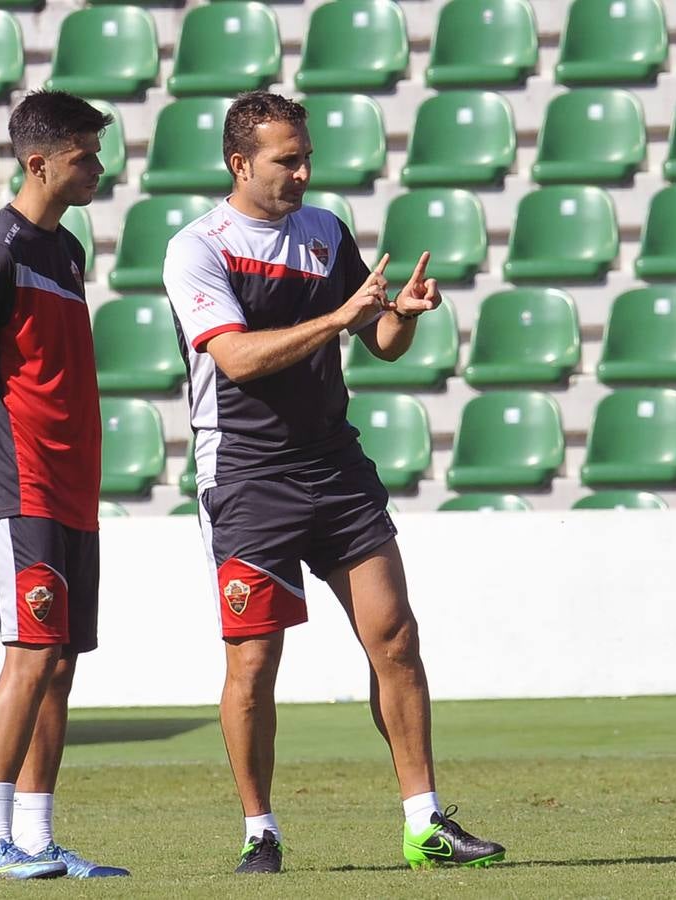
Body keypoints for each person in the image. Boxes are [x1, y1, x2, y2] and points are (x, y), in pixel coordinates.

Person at [163, 90, 507, 874]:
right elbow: (238, 359)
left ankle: (426, 823)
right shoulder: (197, 247)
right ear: (240, 163)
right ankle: (260, 829)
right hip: (247, 475)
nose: (304, 171)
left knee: (397, 637)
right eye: (288, 159)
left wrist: (405, 314)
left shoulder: (323, 232)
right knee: (254, 664)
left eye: (308, 155)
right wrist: (340, 317)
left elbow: (377, 338)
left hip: (334, 463)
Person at [0, 89, 129, 882]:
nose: (100, 168)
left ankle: (38, 839)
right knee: (30, 653)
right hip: (20, 481)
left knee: (60, 662)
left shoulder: (67, 249)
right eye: (86, 155)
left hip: (73, 484)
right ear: (38, 160)